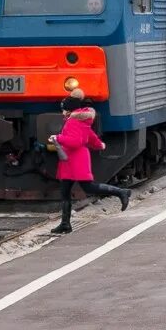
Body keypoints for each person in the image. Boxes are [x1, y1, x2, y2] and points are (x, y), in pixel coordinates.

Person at [49, 90, 131, 233]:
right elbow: (89, 134)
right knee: (65, 191)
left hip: (76, 159)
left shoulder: (73, 121)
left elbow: (76, 141)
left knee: (88, 187)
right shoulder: (80, 120)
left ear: (70, 110)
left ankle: (121, 192)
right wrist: (99, 144)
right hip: (70, 160)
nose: (63, 113)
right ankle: (65, 223)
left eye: (64, 110)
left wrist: (58, 138)